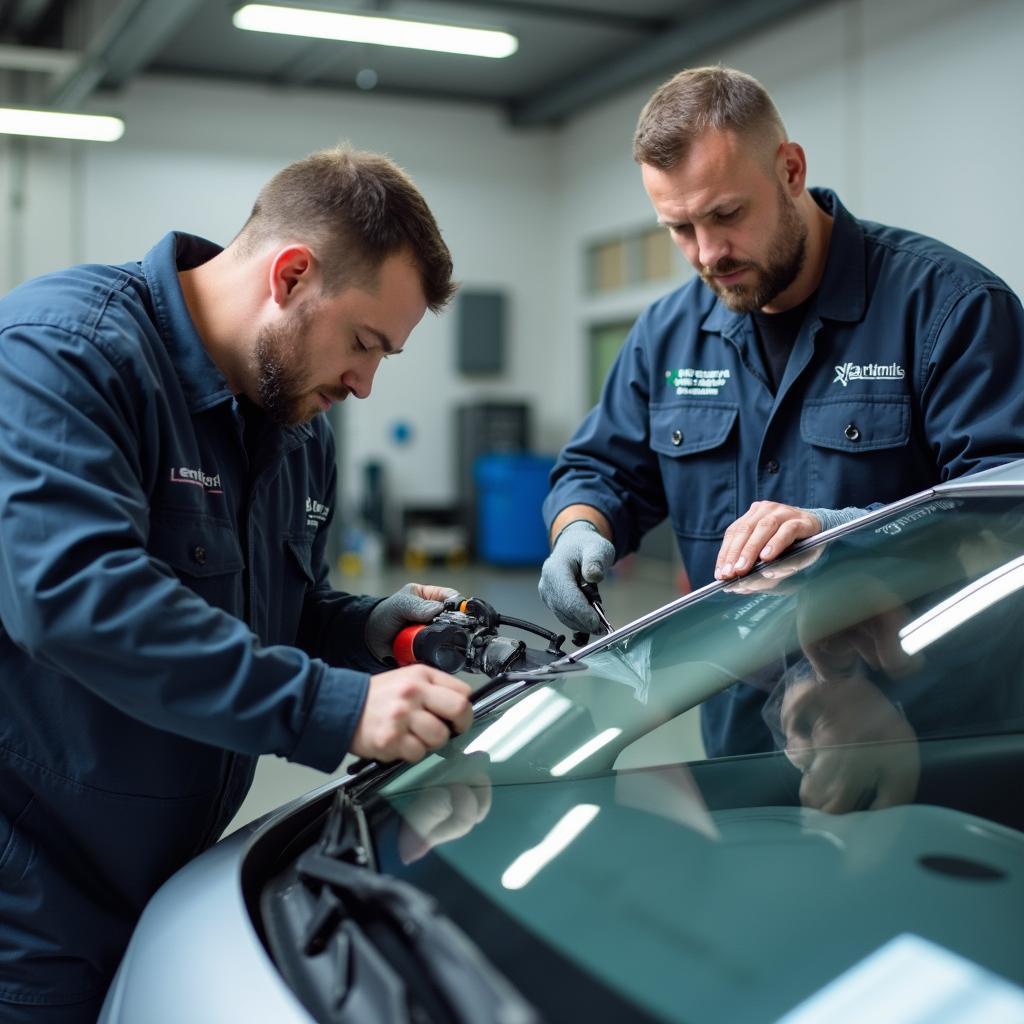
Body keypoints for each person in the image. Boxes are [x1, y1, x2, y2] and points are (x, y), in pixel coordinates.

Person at [0, 147, 473, 1021]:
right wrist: (336, 710)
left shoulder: (295, 426)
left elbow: (269, 612)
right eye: (365, 343)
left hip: (177, 879)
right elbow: (71, 597)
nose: (365, 384)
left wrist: (368, 627)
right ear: (291, 275)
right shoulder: (64, 352)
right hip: (31, 898)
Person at [538, 65, 1024, 760]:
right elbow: (599, 468)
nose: (707, 254)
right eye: (679, 229)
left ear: (791, 170)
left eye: (727, 215)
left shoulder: (950, 308)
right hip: (746, 742)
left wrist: (845, 537)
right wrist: (577, 531)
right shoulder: (667, 335)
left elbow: (1008, 511)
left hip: (929, 733)